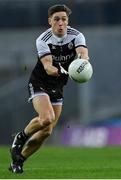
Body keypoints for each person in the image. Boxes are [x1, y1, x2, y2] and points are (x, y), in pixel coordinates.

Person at [9, 4, 89, 173]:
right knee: (46, 118)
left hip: (58, 86)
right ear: (50, 21)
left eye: (64, 19)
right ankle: (20, 137)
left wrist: (83, 63)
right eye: (57, 19)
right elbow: (48, 67)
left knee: (47, 130)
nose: (61, 23)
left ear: (68, 21)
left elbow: (83, 54)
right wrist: (63, 70)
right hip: (40, 82)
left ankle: (18, 161)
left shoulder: (77, 36)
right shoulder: (43, 40)